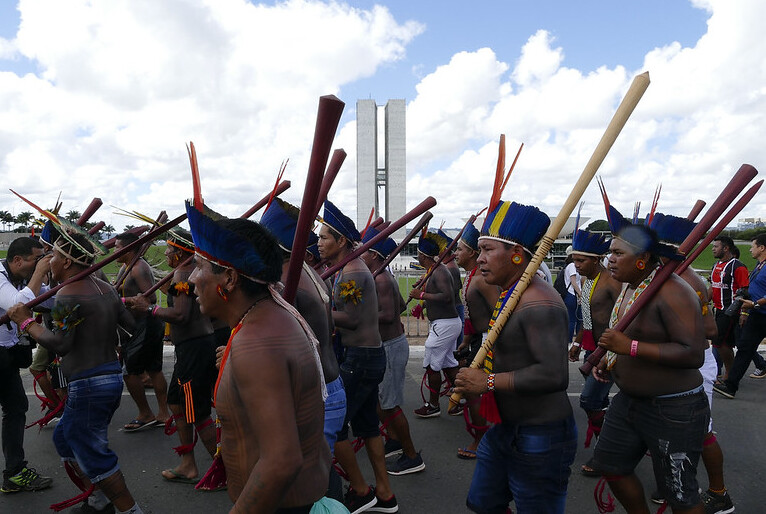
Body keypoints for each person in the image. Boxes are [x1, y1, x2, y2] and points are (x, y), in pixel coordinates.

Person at [186, 202, 330, 513]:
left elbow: (282, 460)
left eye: (200, 266)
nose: (192, 279)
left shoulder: (257, 344)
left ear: (230, 278)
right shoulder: (265, 319)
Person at [8, 229, 144, 514]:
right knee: (65, 437)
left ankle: (130, 510)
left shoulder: (68, 294)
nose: (50, 262)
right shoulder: (105, 288)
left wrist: (26, 322)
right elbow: (132, 327)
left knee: (94, 453)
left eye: (54, 256)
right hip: (108, 378)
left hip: (90, 384)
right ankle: (99, 498)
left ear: (67, 262)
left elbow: (61, 345)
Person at [453, 200, 576, 514]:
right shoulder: (509, 293)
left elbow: (554, 375)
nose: (479, 259)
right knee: (483, 502)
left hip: (540, 435)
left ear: (517, 254)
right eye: (478, 250)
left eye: (487, 250)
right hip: (505, 427)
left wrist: (487, 381)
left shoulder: (539, 304)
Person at [590, 208, 709, 514]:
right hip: (629, 401)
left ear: (642, 259)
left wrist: (628, 346)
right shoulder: (631, 286)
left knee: (679, 492)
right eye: (609, 253)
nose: (609, 259)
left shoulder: (674, 292)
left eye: (618, 253)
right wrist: (612, 359)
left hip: (674, 407)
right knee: (610, 465)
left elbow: (692, 353)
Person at [644, 212, 735, 513]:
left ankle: (717, 494)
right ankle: (670, 484)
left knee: (699, 432)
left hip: (694, 364)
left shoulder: (688, 281)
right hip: (669, 366)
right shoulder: (659, 277)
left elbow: (709, 331)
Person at [260, 198, 346, 501]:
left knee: (311, 483)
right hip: (329, 386)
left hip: (318, 392)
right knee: (319, 470)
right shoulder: (304, 272)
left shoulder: (286, 281)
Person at [318, 200, 397, 514]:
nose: (319, 243)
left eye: (325, 237)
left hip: (361, 359)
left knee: (334, 426)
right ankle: (385, 493)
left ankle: (361, 491)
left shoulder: (352, 271)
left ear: (341, 242)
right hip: (364, 357)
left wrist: (315, 310)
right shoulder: (345, 269)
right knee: (366, 426)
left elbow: (349, 319)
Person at [125, 228, 218, 485]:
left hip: (195, 350)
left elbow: (180, 315)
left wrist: (149, 308)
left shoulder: (185, 273)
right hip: (189, 349)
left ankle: (224, 470)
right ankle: (188, 464)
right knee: (177, 404)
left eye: (168, 249)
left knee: (197, 412)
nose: (165, 252)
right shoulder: (185, 272)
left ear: (178, 253)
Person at [359, 227, 425, 476]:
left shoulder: (381, 279)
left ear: (374, 255)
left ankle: (411, 455)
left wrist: (358, 317)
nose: (359, 255)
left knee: (391, 404)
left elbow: (388, 314)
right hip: (387, 345)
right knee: (380, 402)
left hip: (391, 347)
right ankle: (395, 440)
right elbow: (398, 304)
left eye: (364, 252)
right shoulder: (379, 274)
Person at [566, 224, 620, 477]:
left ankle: (608, 454)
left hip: (611, 353)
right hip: (594, 350)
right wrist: (578, 342)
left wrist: (611, 352)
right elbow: (588, 317)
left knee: (589, 400)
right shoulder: (589, 280)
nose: (576, 265)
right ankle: (613, 444)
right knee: (598, 402)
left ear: (597, 259)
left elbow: (625, 317)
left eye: (581, 260)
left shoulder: (612, 282)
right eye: (574, 260)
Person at [0, 236, 54, 494]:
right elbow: (18, 306)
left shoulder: (22, 279)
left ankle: (14, 473)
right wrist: (41, 272)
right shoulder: (0, 276)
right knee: (15, 408)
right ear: (18, 260)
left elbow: (48, 300)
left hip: (6, 355)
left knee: (16, 408)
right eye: (36, 260)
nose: (39, 265)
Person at [113, 232, 170, 431]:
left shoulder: (138, 268)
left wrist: (121, 301)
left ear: (129, 248)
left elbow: (150, 298)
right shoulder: (125, 266)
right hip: (138, 326)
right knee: (153, 369)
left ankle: (148, 413)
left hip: (146, 325)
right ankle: (161, 413)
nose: (114, 250)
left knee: (130, 372)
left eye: (118, 247)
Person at [453, 222, 500, 460]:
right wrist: (467, 340)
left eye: (460, 249)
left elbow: (498, 314)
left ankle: (482, 440)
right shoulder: (472, 277)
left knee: (472, 391)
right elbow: (474, 313)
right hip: (478, 341)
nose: (456, 254)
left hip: (487, 344)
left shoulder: (481, 279)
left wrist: (486, 346)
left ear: (472, 252)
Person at [409, 230, 461, 418]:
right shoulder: (433, 271)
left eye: (419, 254)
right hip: (444, 324)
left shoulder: (440, 272)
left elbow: (447, 297)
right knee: (448, 364)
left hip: (445, 325)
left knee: (432, 365)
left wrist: (421, 295)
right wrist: (422, 305)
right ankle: (462, 400)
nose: (418, 257)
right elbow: (437, 296)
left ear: (423, 256)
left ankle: (433, 405)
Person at [714, 233, 766, 399]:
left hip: (758, 310)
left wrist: (756, 304)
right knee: (744, 348)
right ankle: (730, 386)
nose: (750, 249)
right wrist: (747, 310)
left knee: (739, 346)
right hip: (756, 315)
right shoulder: (759, 266)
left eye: (753, 246)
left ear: (762, 248)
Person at [709, 236, 752, 380]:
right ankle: (730, 373)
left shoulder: (737, 266)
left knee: (720, 343)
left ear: (726, 248)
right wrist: (701, 302)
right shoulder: (716, 265)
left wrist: (744, 313)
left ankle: (729, 374)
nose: (713, 249)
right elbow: (713, 287)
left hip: (730, 311)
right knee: (723, 343)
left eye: (716, 246)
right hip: (718, 309)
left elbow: (745, 291)